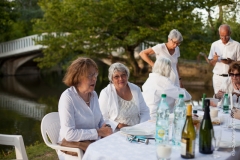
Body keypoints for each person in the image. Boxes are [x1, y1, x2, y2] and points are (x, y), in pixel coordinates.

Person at [58, 57, 112, 159]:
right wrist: (99, 132)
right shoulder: (67, 97)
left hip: (93, 143)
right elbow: (69, 134)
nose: (94, 79)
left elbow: (99, 119)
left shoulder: (94, 94)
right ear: (78, 77)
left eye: (95, 74)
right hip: (74, 148)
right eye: (90, 75)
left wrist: (105, 126)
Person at [99, 62, 150, 131]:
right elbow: (102, 118)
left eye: (123, 75)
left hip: (138, 130)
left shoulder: (135, 89)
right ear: (111, 79)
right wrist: (118, 125)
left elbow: (144, 111)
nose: (121, 79)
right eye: (116, 76)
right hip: (117, 132)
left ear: (127, 76)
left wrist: (140, 127)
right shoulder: (106, 93)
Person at [208, 24, 240, 94]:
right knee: (218, 99)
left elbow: (239, 63)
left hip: (231, 78)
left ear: (230, 33)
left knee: (231, 99)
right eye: (222, 36)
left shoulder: (237, 45)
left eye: (226, 36)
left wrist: (232, 62)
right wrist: (215, 60)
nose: (224, 38)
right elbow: (211, 63)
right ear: (219, 34)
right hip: (217, 78)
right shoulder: (214, 45)